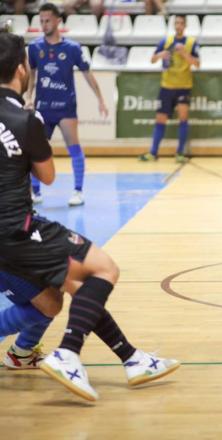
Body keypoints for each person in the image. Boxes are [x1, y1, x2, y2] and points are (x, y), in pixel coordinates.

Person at [0, 30, 179, 402]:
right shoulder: (24, 119)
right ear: (22, 69)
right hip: (17, 230)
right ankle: (68, 352)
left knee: (65, 295)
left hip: (11, 235)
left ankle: (132, 359)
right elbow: (47, 176)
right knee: (103, 269)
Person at [26, 2, 108, 206]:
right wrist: (28, 97)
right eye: (41, 21)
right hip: (42, 107)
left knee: (74, 148)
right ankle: (35, 192)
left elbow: (87, 75)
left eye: (47, 20)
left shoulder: (71, 48)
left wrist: (100, 100)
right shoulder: (35, 47)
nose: (44, 25)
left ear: (58, 21)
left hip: (65, 108)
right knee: (36, 150)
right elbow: (31, 75)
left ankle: (78, 191)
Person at [139, 14, 200, 164]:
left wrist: (184, 53)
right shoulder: (166, 41)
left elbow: (197, 64)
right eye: (176, 23)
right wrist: (160, 55)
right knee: (160, 119)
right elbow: (152, 60)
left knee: (183, 118)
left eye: (181, 23)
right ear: (174, 25)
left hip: (183, 86)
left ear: (185, 26)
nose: (178, 25)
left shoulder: (191, 42)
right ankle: (153, 153)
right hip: (166, 86)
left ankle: (179, 153)